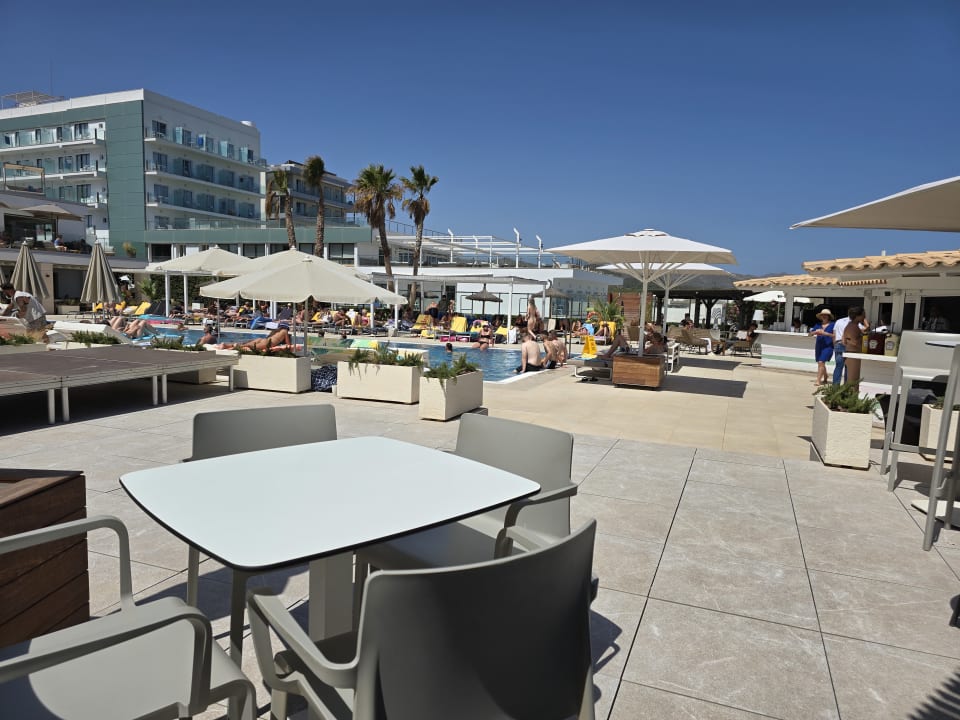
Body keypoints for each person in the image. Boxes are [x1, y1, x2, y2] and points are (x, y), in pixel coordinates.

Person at [842, 307, 868, 384]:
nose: (864, 317)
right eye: (863, 315)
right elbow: (853, 342)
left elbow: (844, 341)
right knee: (853, 381)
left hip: (852, 354)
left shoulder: (852, 326)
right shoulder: (853, 327)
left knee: (853, 381)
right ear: (857, 316)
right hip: (853, 354)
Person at [809, 308, 835, 386]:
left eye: (826, 315)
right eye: (822, 315)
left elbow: (835, 335)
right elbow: (809, 334)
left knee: (821, 362)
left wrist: (825, 333)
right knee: (820, 363)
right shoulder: (818, 325)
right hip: (819, 345)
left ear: (829, 316)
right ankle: (825, 376)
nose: (824, 316)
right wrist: (815, 332)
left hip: (828, 346)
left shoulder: (833, 324)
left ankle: (818, 380)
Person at [831, 307, 852, 385]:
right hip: (849, 346)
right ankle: (846, 387)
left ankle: (835, 387)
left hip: (838, 344)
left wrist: (835, 345)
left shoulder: (839, 321)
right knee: (848, 367)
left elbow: (834, 334)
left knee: (838, 367)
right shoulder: (856, 323)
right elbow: (865, 330)